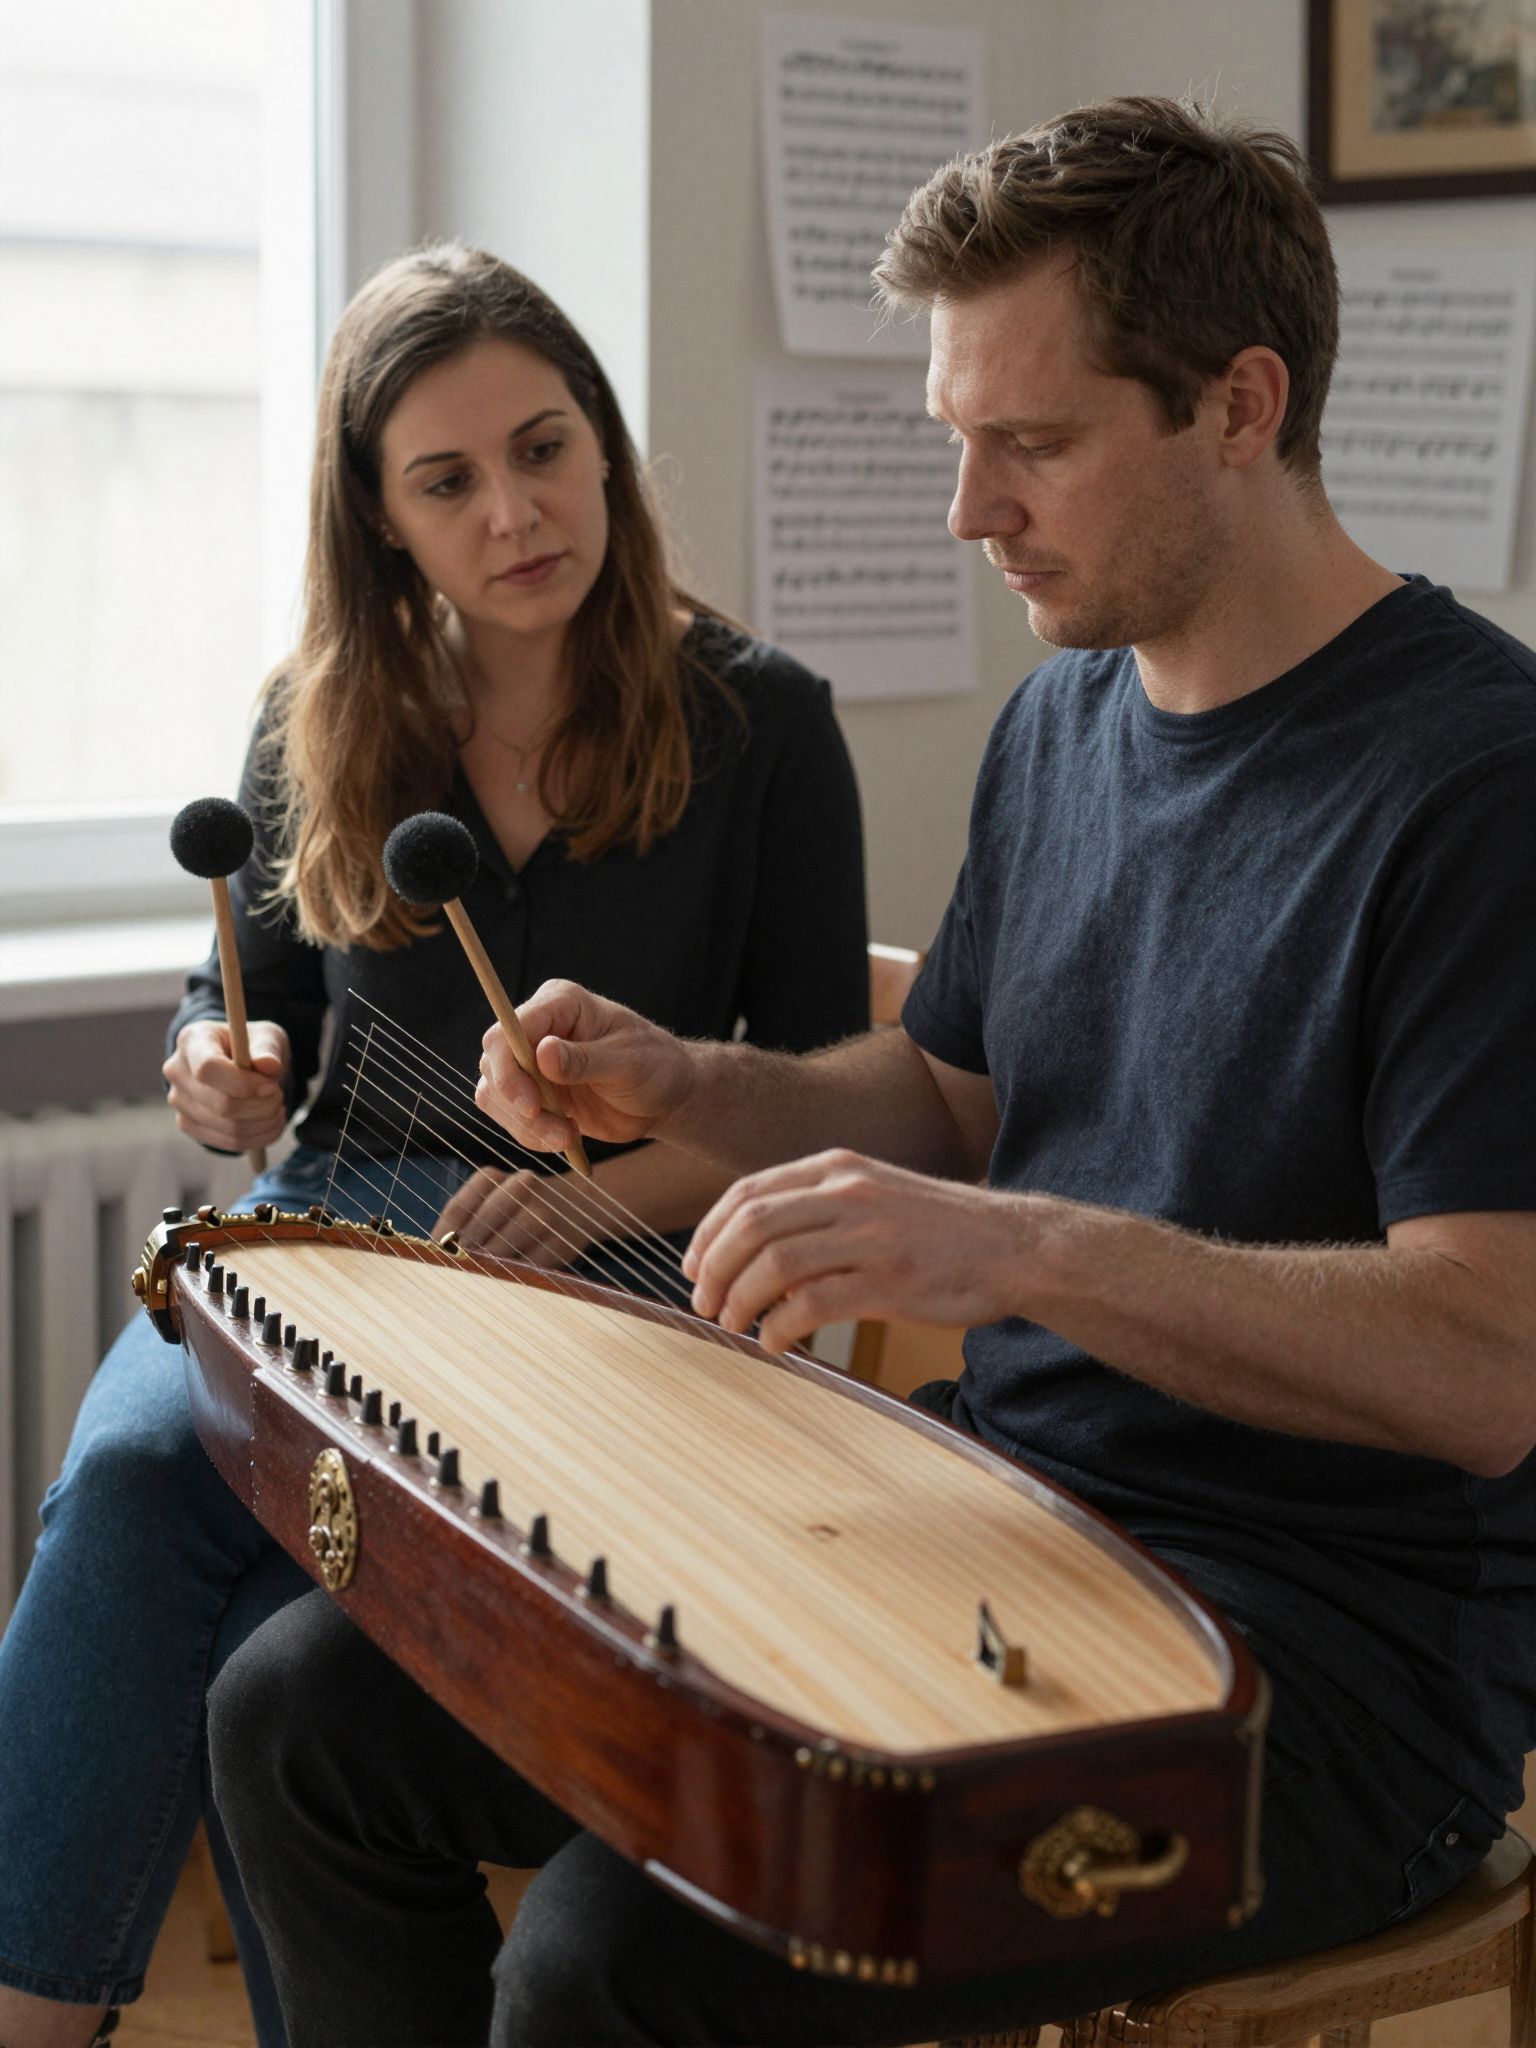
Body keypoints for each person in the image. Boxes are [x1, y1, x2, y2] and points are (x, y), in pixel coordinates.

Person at [206, 97, 1536, 2048]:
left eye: (1036, 443)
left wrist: (1024, 1252)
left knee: (601, 1967)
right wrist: (689, 1080)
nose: (970, 510)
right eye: (954, 439)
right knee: (299, 1717)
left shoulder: (1480, 787)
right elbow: (951, 1102)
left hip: (1323, 1664)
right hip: (1001, 1517)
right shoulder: (1065, 720)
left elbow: (1492, 1367)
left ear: (1242, 407)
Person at [0, 243, 867, 2048]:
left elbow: (815, 1087)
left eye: (543, 450)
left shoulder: (765, 719)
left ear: (604, 443)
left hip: (631, 1251)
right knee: (144, 1480)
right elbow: (241, 997)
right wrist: (216, 1062)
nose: (515, 514)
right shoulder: (317, 707)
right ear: (381, 518)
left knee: (279, 1634)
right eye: (448, 482)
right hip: (333, 1223)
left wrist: (605, 1204)